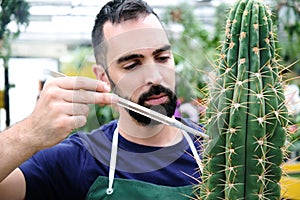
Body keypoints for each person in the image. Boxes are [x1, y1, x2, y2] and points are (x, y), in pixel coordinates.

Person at [0, 0, 203, 199]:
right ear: (103, 77)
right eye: (132, 65)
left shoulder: (217, 149)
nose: (156, 77)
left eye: (162, 58)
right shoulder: (79, 158)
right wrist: (30, 132)